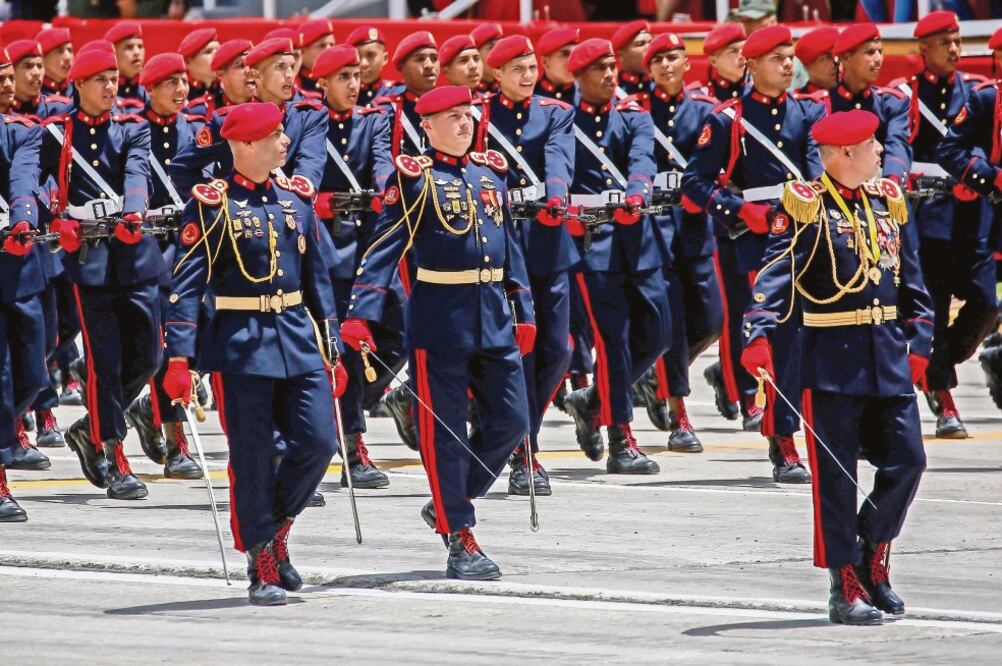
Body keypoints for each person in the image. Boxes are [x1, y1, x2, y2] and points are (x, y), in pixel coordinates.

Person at [741, 110, 932, 625]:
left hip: (888, 354)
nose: (880, 152)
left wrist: (922, 339)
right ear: (845, 154)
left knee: (908, 461)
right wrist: (756, 334)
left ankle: (871, 549)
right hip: (832, 359)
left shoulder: (887, 199)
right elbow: (774, 275)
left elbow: (912, 280)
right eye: (872, 144)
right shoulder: (805, 207)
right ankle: (844, 582)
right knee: (836, 478)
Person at [341, 85, 534, 580]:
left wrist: (524, 308)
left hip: (492, 314)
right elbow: (384, 247)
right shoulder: (413, 180)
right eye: (451, 117)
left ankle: (453, 500)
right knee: (446, 433)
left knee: (512, 422)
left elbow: (509, 245)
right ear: (426, 126)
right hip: (440, 318)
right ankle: (459, 535)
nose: (464, 124)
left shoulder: (490, 173)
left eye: (467, 115)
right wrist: (362, 311)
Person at [163, 102, 343, 606]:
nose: (285, 143)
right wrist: (180, 359)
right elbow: (185, 284)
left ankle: (277, 526)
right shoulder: (212, 204)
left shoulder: (295, 199)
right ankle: (261, 557)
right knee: (253, 457)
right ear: (244, 145)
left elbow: (319, 282)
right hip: (240, 342)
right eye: (274, 136)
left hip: (296, 338)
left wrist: (333, 348)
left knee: (319, 441)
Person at [682, 25, 823, 483]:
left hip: (809, 237)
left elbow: (817, 174)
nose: (788, 64)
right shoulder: (729, 119)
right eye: (778, 57)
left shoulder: (807, 112)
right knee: (776, 343)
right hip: (759, 243)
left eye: (791, 56)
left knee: (812, 340)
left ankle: (820, 429)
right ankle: (781, 439)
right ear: (752, 64)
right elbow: (696, 182)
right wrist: (739, 210)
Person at [40, 47, 162, 501]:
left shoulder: (131, 128)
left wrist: (133, 211)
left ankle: (91, 424)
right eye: (101, 80)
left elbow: (136, 175)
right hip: (89, 260)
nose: (112, 88)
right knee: (104, 362)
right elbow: (35, 181)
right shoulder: (57, 133)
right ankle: (110, 449)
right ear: (79, 85)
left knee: (149, 355)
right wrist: (56, 221)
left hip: (133, 254)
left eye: (115, 79)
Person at [559, 38, 671, 475]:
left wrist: (638, 189)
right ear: (578, 77)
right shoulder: (563, 120)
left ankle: (592, 402)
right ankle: (621, 439)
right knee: (614, 341)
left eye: (612, 66)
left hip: (638, 236)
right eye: (599, 69)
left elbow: (644, 155)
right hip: (593, 243)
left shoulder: (632, 114)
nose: (610, 75)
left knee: (659, 332)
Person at [475, 35, 576, 495]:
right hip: (499, 244)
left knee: (557, 349)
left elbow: (558, 156)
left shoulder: (555, 112)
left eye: (532, 66)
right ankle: (524, 451)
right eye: (517, 68)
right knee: (516, 349)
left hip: (546, 240)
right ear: (497, 74)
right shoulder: (478, 116)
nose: (528, 75)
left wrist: (556, 192)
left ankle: (523, 433)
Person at [902, 12, 999, 438]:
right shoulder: (909, 95)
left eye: (958, 41)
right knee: (935, 308)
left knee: (985, 304)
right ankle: (944, 401)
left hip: (970, 212)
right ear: (924, 49)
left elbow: (969, 148)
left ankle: (939, 365)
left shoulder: (973, 93)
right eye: (945, 43)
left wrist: (974, 175)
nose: (955, 50)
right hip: (928, 213)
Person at [633, 32, 722, 451]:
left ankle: (656, 376)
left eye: (674, 58)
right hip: (655, 225)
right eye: (658, 60)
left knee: (711, 318)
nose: (667, 65)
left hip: (695, 224)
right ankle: (679, 416)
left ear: (687, 64)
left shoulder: (705, 110)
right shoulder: (636, 111)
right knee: (673, 322)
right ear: (648, 69)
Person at [311, 44, 394, 489]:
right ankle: (351, 444)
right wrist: (316, 199)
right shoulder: (309, 120)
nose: (353, 85)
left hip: (367, 242)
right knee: (336, 349)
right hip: (325, 247)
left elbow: (381, 161)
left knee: (396, 332)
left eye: (356, 76)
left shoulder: (373, 119)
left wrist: (387, 187)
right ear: (322, 82)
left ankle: (363, 405)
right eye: (342, 77)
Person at [119, 52, 205, 480]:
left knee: (199, 336)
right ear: (149, 89)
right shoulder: (134, 131)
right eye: (170, 83)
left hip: (192, 244)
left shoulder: (195, 129)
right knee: (167, 345)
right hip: (153, 248)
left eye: (183, 81)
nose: (180, 90)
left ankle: (152, 409)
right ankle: (176, 444)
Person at [170, 37, 328, 194]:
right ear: (255, 74)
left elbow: (309, 169)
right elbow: (182, 169)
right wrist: (219, 198)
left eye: (292, 67)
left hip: (294, 214)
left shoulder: (308, 116)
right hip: (241, 216)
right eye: (280, 67)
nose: (289, 75)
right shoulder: (228, 120)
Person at [0, 45, 48, 521]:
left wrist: (21, 218)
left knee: (34, 371)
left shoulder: (22, 131)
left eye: (9, 76)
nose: (9, 84)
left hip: (17, 261)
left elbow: (24, 177)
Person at [376, 32, 439, 158]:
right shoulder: (388, 111)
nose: (429, 65)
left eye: (434, 58)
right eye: (420, 59)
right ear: (400, 68)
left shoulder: (450, 108)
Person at [185, 38, 254, 119]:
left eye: (253, 65)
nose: (250, 71)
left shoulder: (269, 103)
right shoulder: (202, 111)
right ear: (220, 74)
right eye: (241, 66)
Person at [6, 40, 71, 119]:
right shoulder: (3, 112)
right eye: (28, 66)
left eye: (40, 66)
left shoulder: (64, 109)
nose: (36, 73)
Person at [345, 26, 394, 108]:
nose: (364, 64)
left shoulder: (398, 93)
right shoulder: (341, 96)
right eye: (357, 56)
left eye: (370, 55)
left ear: (385, 58)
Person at [105, 22, 148, 104]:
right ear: (113, 54)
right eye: (129, 47)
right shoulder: (100, 92)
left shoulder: (153, 92)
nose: (137, 52)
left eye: (140, 46)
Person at [702, 23, 746, 101]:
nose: (742, 56)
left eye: (744, 49)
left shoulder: (760, 91)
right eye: (734, 51)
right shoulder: (702, 98)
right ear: (713, 61)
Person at [534, 27, 578, 102]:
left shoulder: (589, 97)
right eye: (565, 54)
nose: (572, 60)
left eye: (575, 53)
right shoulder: (529, 96)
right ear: (545, 62)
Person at [612, 19, 653, 97]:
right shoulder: (613, 90)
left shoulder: (663, 86)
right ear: (621, 55)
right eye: (641, 44)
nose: (650, 48)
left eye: (651, 42)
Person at [177, 27, 219, 103]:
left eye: (219, 50)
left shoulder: (230, 89)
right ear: (188, 62)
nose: (217, 55)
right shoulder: (179, 93)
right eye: (208, 52)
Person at [295, 19, 335, 97]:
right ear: (303, 51)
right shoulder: (292, 81)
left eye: (332, 45)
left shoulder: (339, 77)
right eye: (322, 45)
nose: (329, 50)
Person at [794, 26, 839, 94]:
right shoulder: (799, 103)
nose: (835, 64)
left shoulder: (852, 96)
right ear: (806, 65)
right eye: (825, 58)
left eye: (837, 55)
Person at [37, 28, 75, 99]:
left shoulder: (79, 90)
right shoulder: (32, 94)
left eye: (70, 50)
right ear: (42, 59)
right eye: (60, 51)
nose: (68, 57)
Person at [471, 23, 503, 95]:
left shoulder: (513, 90)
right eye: (492, 48)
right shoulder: (465, 93)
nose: (499, 53)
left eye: (500, 46)